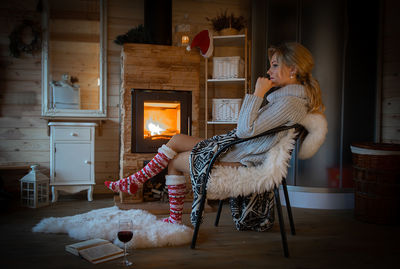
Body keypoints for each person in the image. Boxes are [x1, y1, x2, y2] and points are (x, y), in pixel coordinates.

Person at [105, 42, 325, 228]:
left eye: (275, 65)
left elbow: (244, 130)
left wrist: (258, 93)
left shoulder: (289, 104)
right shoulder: (287, 100)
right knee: (177, 138)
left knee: (174, 160)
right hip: (236, 149)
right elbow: (247, 132)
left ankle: (172, 217)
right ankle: (135, 181)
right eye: (271, 65)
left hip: (241, 160)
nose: (269, 71)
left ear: (293, 69)